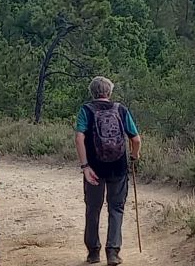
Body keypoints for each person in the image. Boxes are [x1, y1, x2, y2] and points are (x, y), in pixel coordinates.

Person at [75, 77, 141, 266]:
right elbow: (136, 140)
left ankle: (93, 253)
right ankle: (112, 252)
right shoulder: (121, 109)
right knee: (116, 208)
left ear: (92, 92)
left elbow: (79, 138)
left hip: (94, 168)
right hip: (118, 167)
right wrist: (134, 157)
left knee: (93, 208)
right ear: (109, 92)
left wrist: (85, 166)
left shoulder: (86, 110)